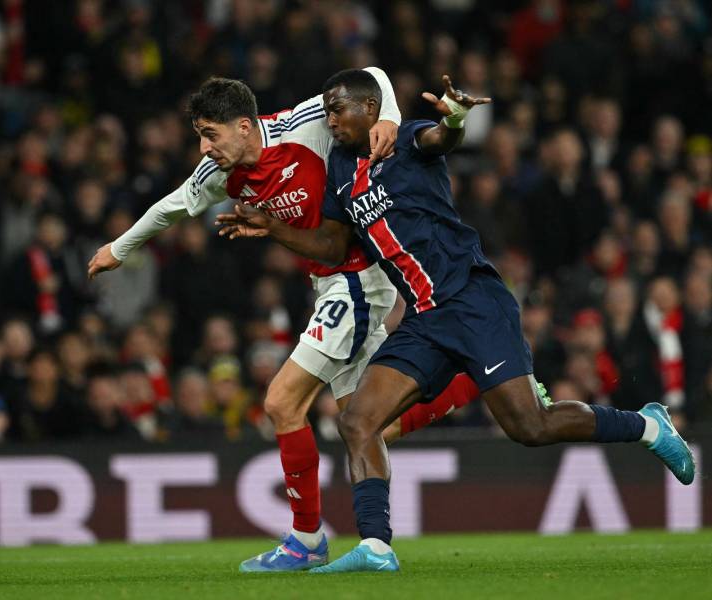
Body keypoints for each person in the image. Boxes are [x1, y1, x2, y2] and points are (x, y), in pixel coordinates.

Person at [217, 69, 695, 573]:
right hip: (425, 318)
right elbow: (334, 246)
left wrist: (458, 116)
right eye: (327, 110)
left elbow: (441, 137)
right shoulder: (338, 167)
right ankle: (377, 547)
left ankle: (646, 425)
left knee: (529, 426)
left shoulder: (404, 139)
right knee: (357, 419)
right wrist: (274, 228)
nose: (329, 118)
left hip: (474, 302)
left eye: (339, 109)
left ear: (370, 109)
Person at [87, 69, 482, 572]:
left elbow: (374, 77)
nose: (204, 148)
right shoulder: (217, 175)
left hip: (359, 276)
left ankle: (305, 539)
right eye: (199, 136)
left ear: (245, 127)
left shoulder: (306, 121)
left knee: (281, 401)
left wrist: (386, 116)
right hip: (327, 279)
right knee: (369, 423)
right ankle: (474, 383)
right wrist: (119, 249)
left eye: (211, 134)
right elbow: (170, 208)